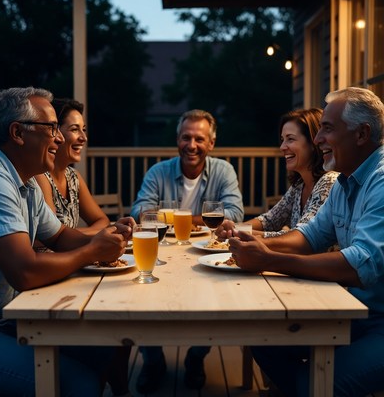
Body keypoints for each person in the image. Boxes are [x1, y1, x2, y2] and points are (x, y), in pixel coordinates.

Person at [221, 87, 384, 397]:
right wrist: (250, 243)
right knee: (264, 339)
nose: (318, 138)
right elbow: (308, 237)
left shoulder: (381, 179)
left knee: (311, 383)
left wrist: (269, 259)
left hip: (378, 321)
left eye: (327, 128)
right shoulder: (346, 180)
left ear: (362, 134)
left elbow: (360, 263)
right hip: (353, 310)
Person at [0, 87, 133, 397]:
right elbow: (24, 271)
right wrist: (93, 250)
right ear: (18, 133)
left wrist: (109, 237)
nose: (61, 138)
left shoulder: (24, 178)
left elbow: (63, 236)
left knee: (106, 349)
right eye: (51, 127)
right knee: (81, 385)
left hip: (15, 316)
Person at [130, 109, 244, 393]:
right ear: (177, 139)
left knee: (216, 297)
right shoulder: (159, 171)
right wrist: (193, 217)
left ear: (211, 143)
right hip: (164, 247)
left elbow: (235, 212)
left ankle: (196, 356)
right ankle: (153, 360)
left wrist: (180, 217)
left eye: (199, 139)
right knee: (142, 294)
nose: (191, 145)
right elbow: (140, 210)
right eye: (186, 137)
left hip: (204, 250)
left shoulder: (224, 170)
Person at [221, 108, 339, 239]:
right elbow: (269, 220)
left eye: (290, 139)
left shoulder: (329, 181)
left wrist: (240, 232)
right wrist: (233, 228)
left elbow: (300, 237)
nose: (282, 147)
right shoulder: (299, 185)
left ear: (313, 142)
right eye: (282, 139)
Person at [34, 98, 111, 235]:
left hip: (72, 253)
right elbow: (51, 236)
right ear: (55, 133)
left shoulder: (73, 177)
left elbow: (102, 220)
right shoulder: (40, 176)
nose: (84, 137)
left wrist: (75, 235)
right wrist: (88, 235)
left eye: (84, 130)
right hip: (51, 256)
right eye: (75, 129)